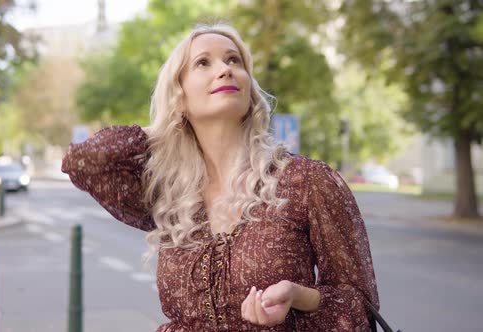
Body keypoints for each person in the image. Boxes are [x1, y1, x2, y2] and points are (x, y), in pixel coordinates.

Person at [62, 23, 379, 332]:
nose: (226, 70)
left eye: (234, 60)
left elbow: (359, 310)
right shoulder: (170, 194)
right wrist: (164, 125)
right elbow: (84, 161)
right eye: (203, 62)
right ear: (179, 94)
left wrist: (298, 296)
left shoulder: (306, 181)